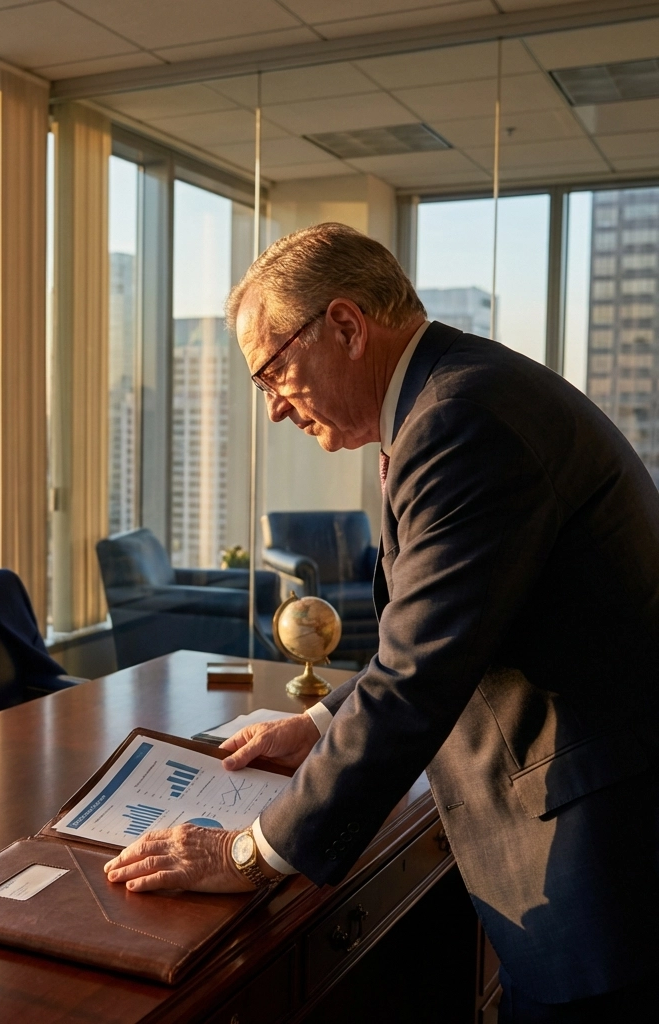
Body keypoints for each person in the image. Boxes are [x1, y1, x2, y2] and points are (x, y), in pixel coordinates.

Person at [103, 223, 659, 1021]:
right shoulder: (457, 395)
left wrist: (246, 852)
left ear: (346, 326)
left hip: (600, 852)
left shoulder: (459, 420)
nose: (272, 410)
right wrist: (319, 721)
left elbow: (416, 677)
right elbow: (445, 625)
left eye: (271, 372)